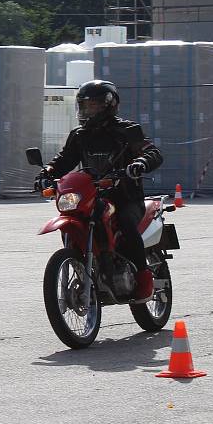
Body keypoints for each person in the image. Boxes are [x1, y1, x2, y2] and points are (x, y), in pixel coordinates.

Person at [35, 80, 163, 303]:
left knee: (125, 221)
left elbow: (151, 151)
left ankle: (144, 279)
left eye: (93, 106)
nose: (87, 111)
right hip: (92, 194)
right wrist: (46, 173)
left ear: (108, 106)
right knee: (74, 217)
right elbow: (64, 160)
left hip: (125, 196)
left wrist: (140, 163)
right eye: (84, 106)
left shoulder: (127, 130)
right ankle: (87, 262)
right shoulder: (79, 135)